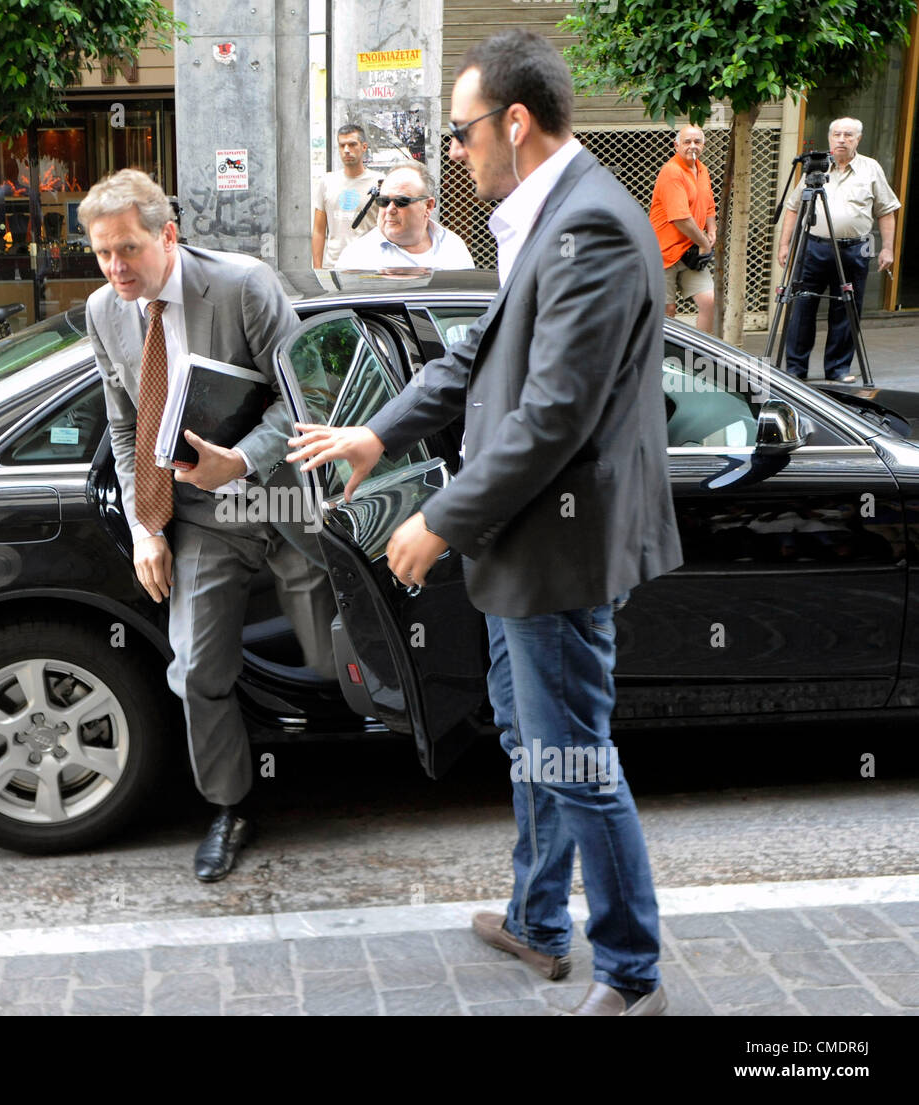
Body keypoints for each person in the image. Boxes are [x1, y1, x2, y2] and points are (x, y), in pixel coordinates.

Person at [288, 30, 682, 1016]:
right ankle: (538, 919)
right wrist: (376, 436)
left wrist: (439, 521)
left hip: (556, 549)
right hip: (530, 543)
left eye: (460, 132)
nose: (452, 153)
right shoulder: (547, 218)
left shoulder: (587, 226)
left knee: (573, 758)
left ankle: (632, 974)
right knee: (531, 737)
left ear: (513, 122)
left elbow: (554, 415)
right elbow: (475, 358)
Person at [81, 169, 335, 883]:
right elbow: (125, 426)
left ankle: (388, 754)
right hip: (199, 515)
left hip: (287, 502)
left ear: (168, 234)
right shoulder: (104, 310)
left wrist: (243, 462)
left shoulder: (245, 286)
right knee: (195, 668)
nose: (116, 267)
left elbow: (305, 397)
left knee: (331, 657)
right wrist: (145, 528)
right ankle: (231, 805)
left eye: (128, 249)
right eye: (101, 253)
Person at [778, 117, 900, 383]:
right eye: (836, 134)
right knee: (801, 307)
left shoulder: (871, 168)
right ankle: (796, 370)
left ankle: (837, 369)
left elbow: (887, 211)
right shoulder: (816, 166)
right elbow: (793, 206)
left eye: (848, 135)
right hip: (813, 247)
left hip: (855, 249)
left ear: (858, 139)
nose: (841, 139)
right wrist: (785, 244)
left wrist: (888, 249)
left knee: (847, 310)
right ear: (830, 137)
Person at [335, 160, 474, 270]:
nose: (390, 209)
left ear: (428, 205)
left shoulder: (453, 248)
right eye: (383, 201)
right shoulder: (356, 258)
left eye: (401, 201)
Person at [649, 124, 717, 333]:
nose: (692, 146)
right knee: (667, 312)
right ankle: (661, 362)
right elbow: (680, 219)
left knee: (709, 301)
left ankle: (698, 361)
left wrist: (712, 229)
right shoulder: (672, 171)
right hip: (664, 253)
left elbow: (708, 204)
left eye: (697, 141)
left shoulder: (702, 169)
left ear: (703, 145)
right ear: (676, 145)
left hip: (691, 251)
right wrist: (704, 242)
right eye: (687, 142)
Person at [311, 124, 382, 269]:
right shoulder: (327, 182)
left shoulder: (380, 182)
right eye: (342, 146)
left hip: (369, 266)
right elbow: (319, 230)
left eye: (352, 144)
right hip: (333, 266)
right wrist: (318, 270)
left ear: (364, 147)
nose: (347, 150)